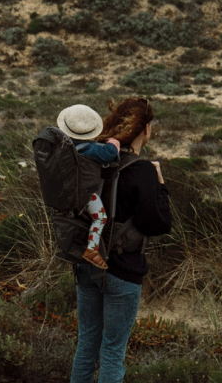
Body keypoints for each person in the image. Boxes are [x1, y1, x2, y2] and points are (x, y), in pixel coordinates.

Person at [70, 97, 172, 383]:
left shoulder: (92, 159)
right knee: (113, 350)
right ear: (146, 129)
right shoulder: (142, 171)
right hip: (123, 269)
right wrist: (161, 186)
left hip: (86, 264)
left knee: (87, 342)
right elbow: (158, 224)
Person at [56, 104, 122, 270]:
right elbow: (108, 154)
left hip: (67, 192)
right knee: (100, 217)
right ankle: (91, 250)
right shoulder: (89, 148)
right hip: (85, 193)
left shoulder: (65, 147)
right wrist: (114, 143)